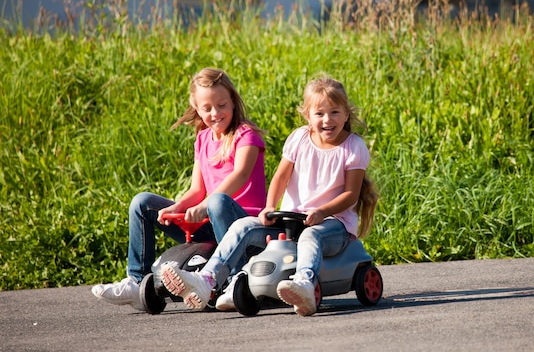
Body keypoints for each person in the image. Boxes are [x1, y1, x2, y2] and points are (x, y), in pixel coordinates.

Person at [159, 75, 378, 316]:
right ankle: (207, 280)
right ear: (307, 116)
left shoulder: (353, 147)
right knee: (243, 226)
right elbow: (280, 178)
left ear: (346, 114)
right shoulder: (299, 139)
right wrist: (270, 206)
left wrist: (322, 211)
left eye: (335, 112)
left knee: (311, 237)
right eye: (320, 114)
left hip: (332, 224)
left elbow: (350, 195)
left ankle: (304, 283)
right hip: (292, 220)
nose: (327, 120)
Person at [91, 67, 266, 311]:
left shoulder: (246, 135)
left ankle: (233, 278)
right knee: (142, 203)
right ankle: (137, 280)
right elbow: (196, 189)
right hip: (209, 223)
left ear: (233, 102)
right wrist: (177, 208)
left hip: (242, 224)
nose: (215, 113)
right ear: (197, 108)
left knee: (217, 202)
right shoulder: (203, 139)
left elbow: (241, 175)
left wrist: (205, 205)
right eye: (207, 108)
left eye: (222, 104)